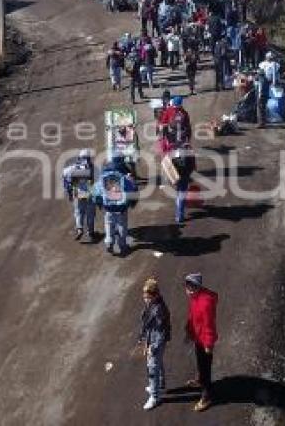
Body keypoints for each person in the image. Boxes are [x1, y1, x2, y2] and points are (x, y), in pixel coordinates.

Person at [184, 273, 218, 412]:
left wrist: (208, 344)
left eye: (193, 288)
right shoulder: (195, 298)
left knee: (205, 368)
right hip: (198, 338)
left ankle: (206, 396)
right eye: (188, 287)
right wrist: (189, 332)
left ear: (198, 287)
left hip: (205, 342)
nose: (189, 290)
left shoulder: (205, 303)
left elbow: (209, 325)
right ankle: (200, 379)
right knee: (200, 362)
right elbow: (192, 316)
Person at [138, 277, 172, 411]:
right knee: (158, 364)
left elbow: (161, 331)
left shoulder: (158, 310)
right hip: (152, 339)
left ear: (155, 295)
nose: (145, 299)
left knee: (152, 367)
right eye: (144, 297)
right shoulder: (154, 304)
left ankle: (155, 395)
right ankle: (160, 385)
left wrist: (152, 347)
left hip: (155, 342)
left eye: (148, 297)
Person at [93, 160, 137, 256]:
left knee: (109, 225)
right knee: (122, 227)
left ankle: (109, 242)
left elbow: (96, 193)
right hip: (121, 209)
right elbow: (133, 191)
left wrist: (99, 204)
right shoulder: (125, 178)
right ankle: (122, 246)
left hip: (108, 208)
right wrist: (132, 203)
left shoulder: (103, 178)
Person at [63, 149, 96, 241]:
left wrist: (69, 191)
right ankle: (91, 232)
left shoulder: (73, 168)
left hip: (78, 193)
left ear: (79, 158)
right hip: (90, 193)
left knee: (78, 212)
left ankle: (79, 229)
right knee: (90, 213)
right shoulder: (94, 168)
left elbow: (64, 176)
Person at [171, 146, 196, 224]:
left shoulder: (175, 155)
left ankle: (178, 212)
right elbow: (192, 167)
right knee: (181, 197)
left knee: (178, 194)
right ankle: (180, 216)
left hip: (177, 178)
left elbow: (170, 166)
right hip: (184, 178)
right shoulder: (189, 156)